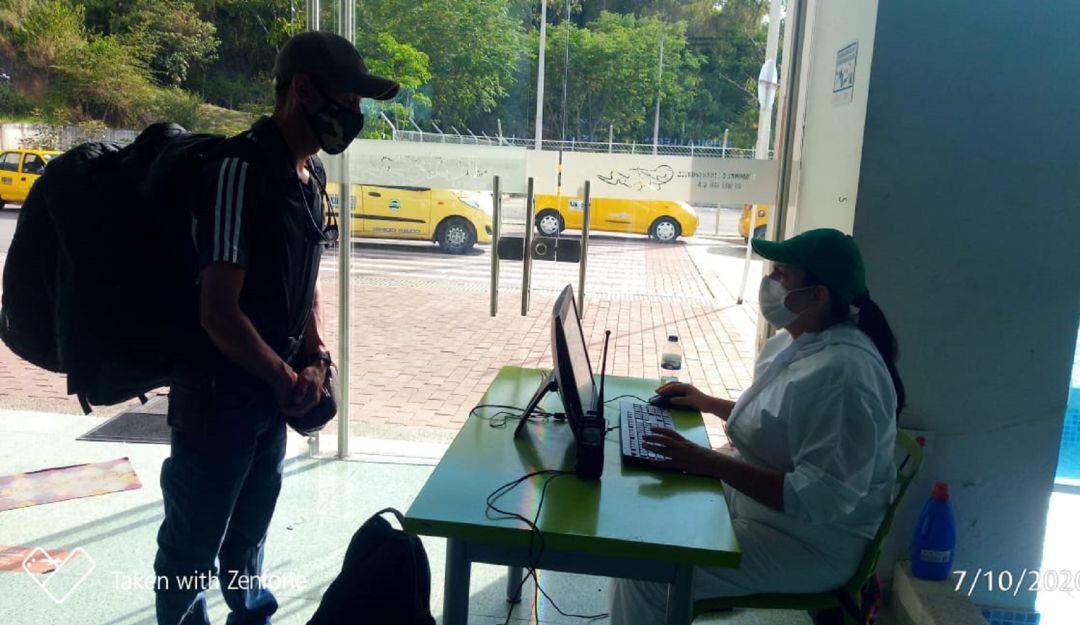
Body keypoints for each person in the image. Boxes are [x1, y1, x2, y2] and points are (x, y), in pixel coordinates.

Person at [154, 32, 398, 625]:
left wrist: (315, 356)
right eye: (348, 100)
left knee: (248, 536)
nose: (355, 115)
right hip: (218, 399)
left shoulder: (309, 178)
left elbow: (303, 280)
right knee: (192, 549)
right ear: (303, 91)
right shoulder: (239, 170)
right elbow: (218, 310)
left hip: (269, 394)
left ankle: (251, 615)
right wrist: (284, 373)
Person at [609, 228, 906, 624]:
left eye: (783, 274)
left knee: (649, 572)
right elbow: (780, 420)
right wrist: (707, 402)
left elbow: (818, 498)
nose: (770, 281)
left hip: (808, 541)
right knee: (656, 498)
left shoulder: (844, 376)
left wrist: (709, 462)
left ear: (818, 296)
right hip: (768, 509)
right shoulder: (805, 341)